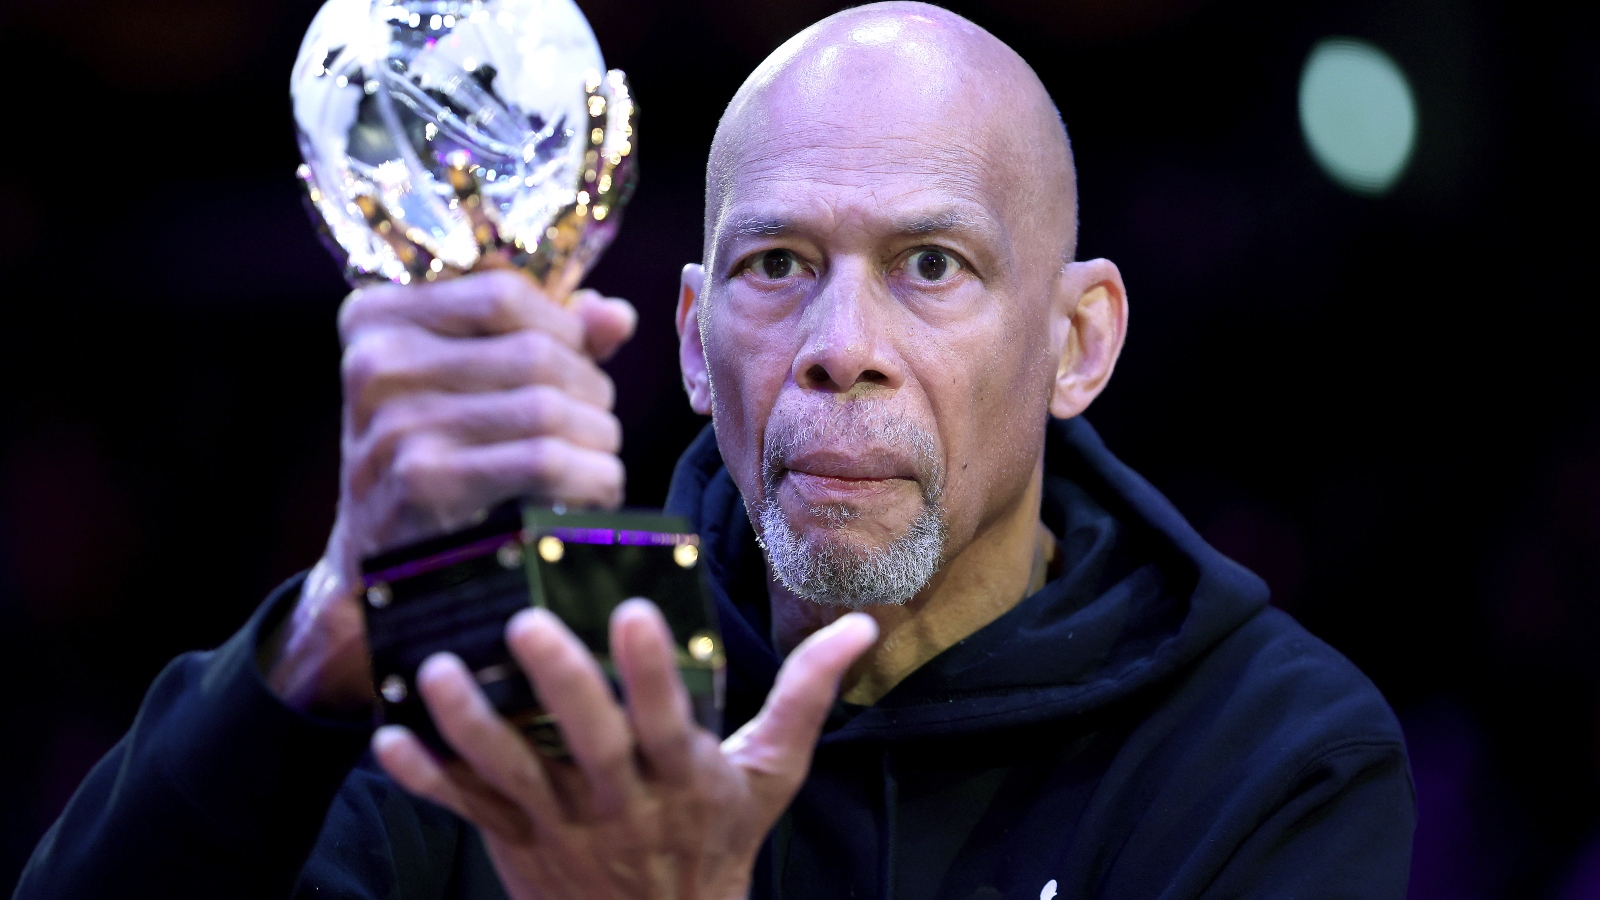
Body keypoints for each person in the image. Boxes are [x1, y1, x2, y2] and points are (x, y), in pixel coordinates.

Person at [13, 4, 1415, 898]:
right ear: (690, 340)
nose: (836, 341)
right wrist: (328, 631)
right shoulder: (537, 684)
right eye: (776, 265)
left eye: (930, 264)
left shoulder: (1273, 753)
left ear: (1078, 342)